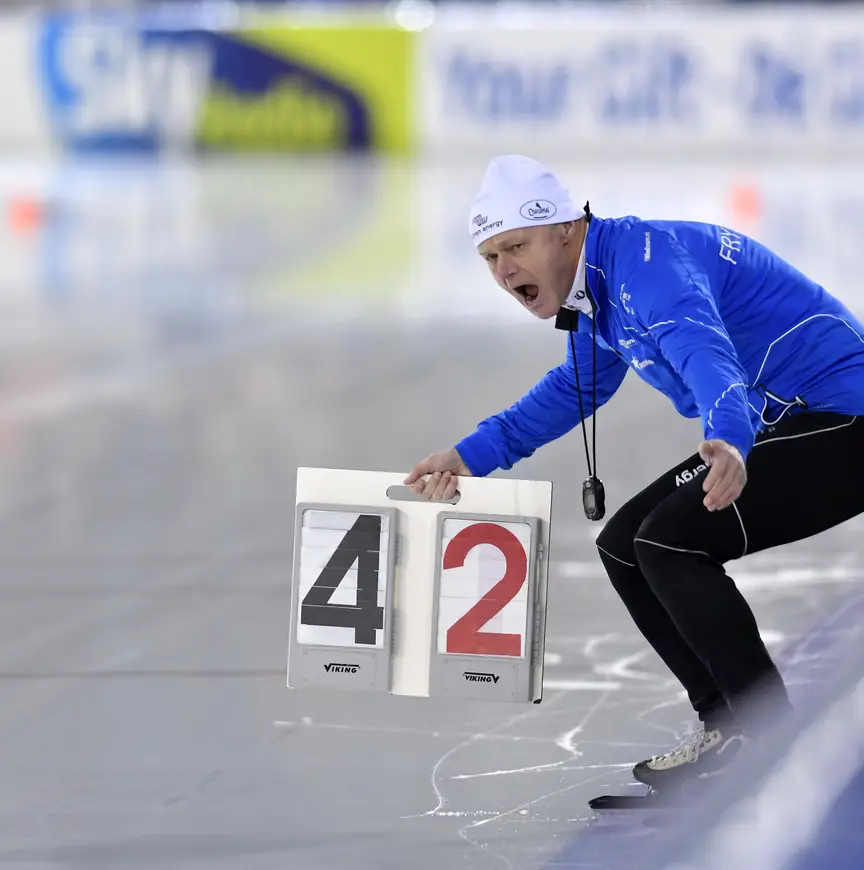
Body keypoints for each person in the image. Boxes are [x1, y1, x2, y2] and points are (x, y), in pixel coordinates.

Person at [404, 154, 864, 791]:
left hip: (843, 417)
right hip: (781, 418)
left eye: (517, 246)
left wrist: (731, 440)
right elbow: (576, 387)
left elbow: (707, 357)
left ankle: (769, 741)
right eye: (491, 257)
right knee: (625, 545)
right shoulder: (597, 282)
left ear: (566, 229)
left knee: (672, 541)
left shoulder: (647, 270)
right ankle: (728, 726)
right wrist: (467, 457)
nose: (505, 270)